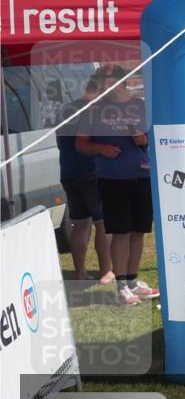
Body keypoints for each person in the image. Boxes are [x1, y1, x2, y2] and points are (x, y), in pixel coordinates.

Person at [75, 66, 159, 306]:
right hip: (112, 179)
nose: (103, 87)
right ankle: (121, 285)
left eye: (107, 81)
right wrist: (101, 149)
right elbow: (81, 144)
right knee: (120, 233)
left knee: (139, 231)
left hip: (142, 176)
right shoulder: (94, 110)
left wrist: (145, 139)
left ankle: (132, 281)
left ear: (123, 82)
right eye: (100, 82)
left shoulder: (142, 106)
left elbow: (155, 135)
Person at [57, 77, 114, 284]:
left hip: (69, 173)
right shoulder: (97, 110)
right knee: (103, 224)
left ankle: (80, 272)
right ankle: (106, 272)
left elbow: (59, 142)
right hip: (92, 172)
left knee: (79, 223)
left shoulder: (65, 109)